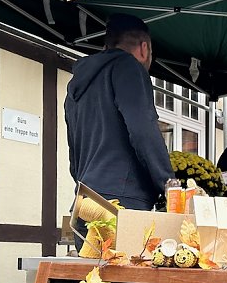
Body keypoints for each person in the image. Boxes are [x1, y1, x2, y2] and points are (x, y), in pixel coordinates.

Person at [65, 13, 174, 248]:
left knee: (91, 272)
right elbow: (143, 130)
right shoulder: (129, 67)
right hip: (120, 203)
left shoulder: (76, 87)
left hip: (85, 201)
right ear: (144, 48)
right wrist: (169, 184)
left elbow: (74, 154)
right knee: (128, 271)